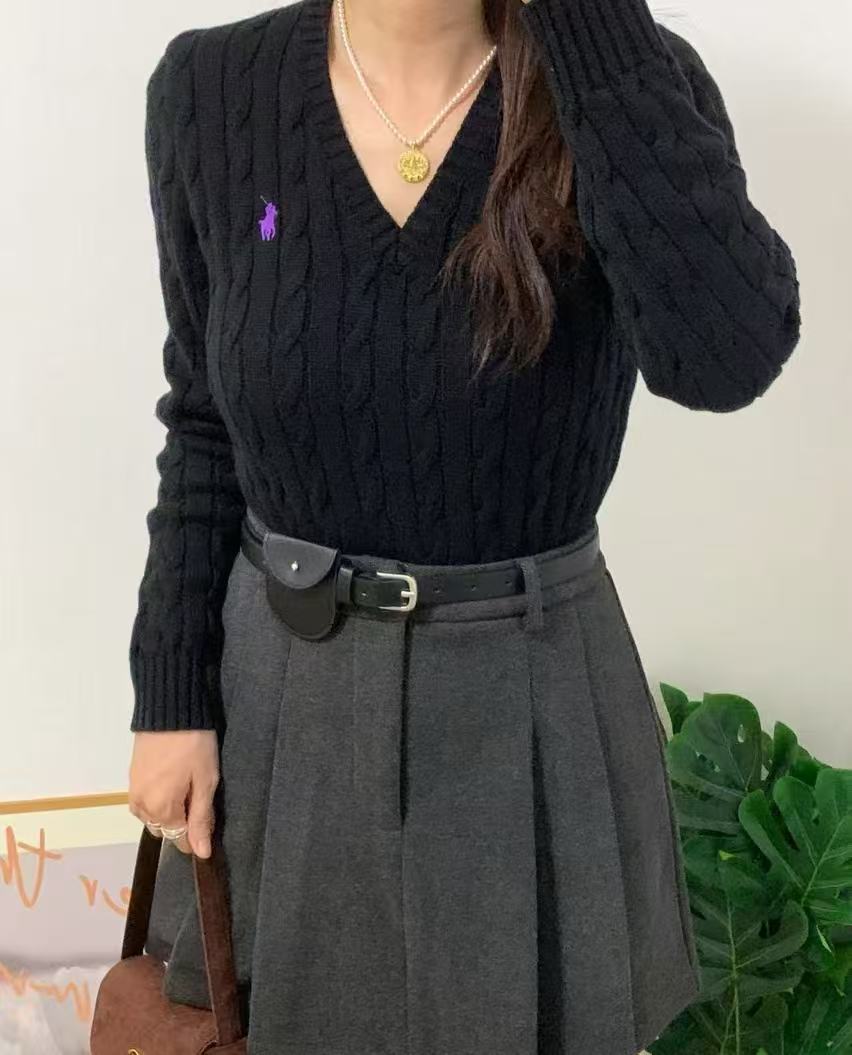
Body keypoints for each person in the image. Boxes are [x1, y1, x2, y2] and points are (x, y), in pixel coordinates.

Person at [126, 0, 801, 1051]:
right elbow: (206, 418)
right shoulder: (211, 89)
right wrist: (169, 695)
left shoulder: (622, 74)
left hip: (533, 696)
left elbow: (726, 358)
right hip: (285, 703)